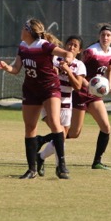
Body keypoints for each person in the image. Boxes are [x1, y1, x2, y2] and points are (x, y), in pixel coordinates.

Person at [0, 19, 74, 179]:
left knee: (55, 122)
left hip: (49, 88)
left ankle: (61, 166)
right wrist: (7, 67)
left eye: (23, 28)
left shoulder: (44, 45)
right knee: (30, 127)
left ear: (29, 31)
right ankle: (31, 169)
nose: (21, 30)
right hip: (31, 90)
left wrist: (68, 59)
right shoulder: (23, 46)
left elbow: (68, 53)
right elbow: (16, 69)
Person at [68, 23, 111, 170]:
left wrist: (109, 86)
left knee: (106, 127)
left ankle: (97, 161)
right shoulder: (90, 52)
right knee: (74, 133)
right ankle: (43, 140)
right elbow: (77, 68)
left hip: (94, 95)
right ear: (99, 37)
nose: (105, 37)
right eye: (103, 35)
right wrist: (88, 86)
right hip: (80, 92)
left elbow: (109, 68)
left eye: (108, 35)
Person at [36, 35, 86, 177]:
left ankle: (40, 157)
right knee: (60, 135)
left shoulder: (79, 65)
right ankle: (60, 168)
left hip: (66, 105)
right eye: (69, 44)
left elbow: (77, 86)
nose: (71, 47)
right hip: (50, 102)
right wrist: (55, 70)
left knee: (61, 138)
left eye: (75, 45)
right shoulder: (55, 59)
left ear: (79, 50)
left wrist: (68, 70)